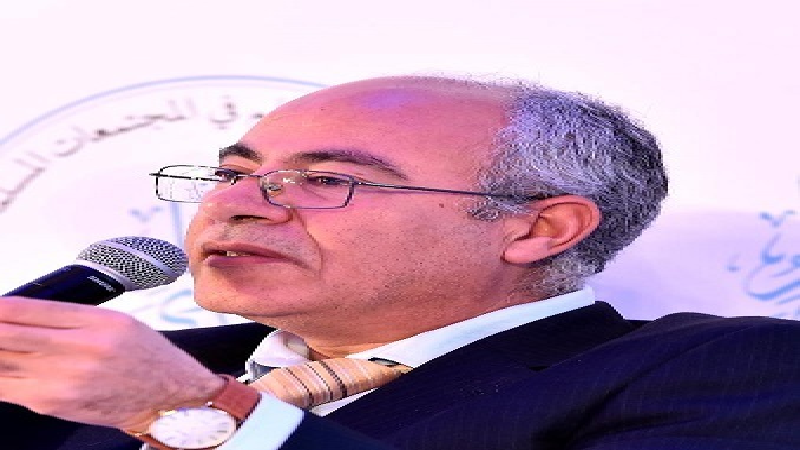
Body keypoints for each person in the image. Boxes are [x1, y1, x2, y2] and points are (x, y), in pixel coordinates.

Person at [0, 74, 798, 450]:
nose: (235, 204)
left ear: (539, 228)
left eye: (325, 180)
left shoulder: (732, 369)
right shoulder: (121, 371)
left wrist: (197, 412)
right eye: (235, 173)